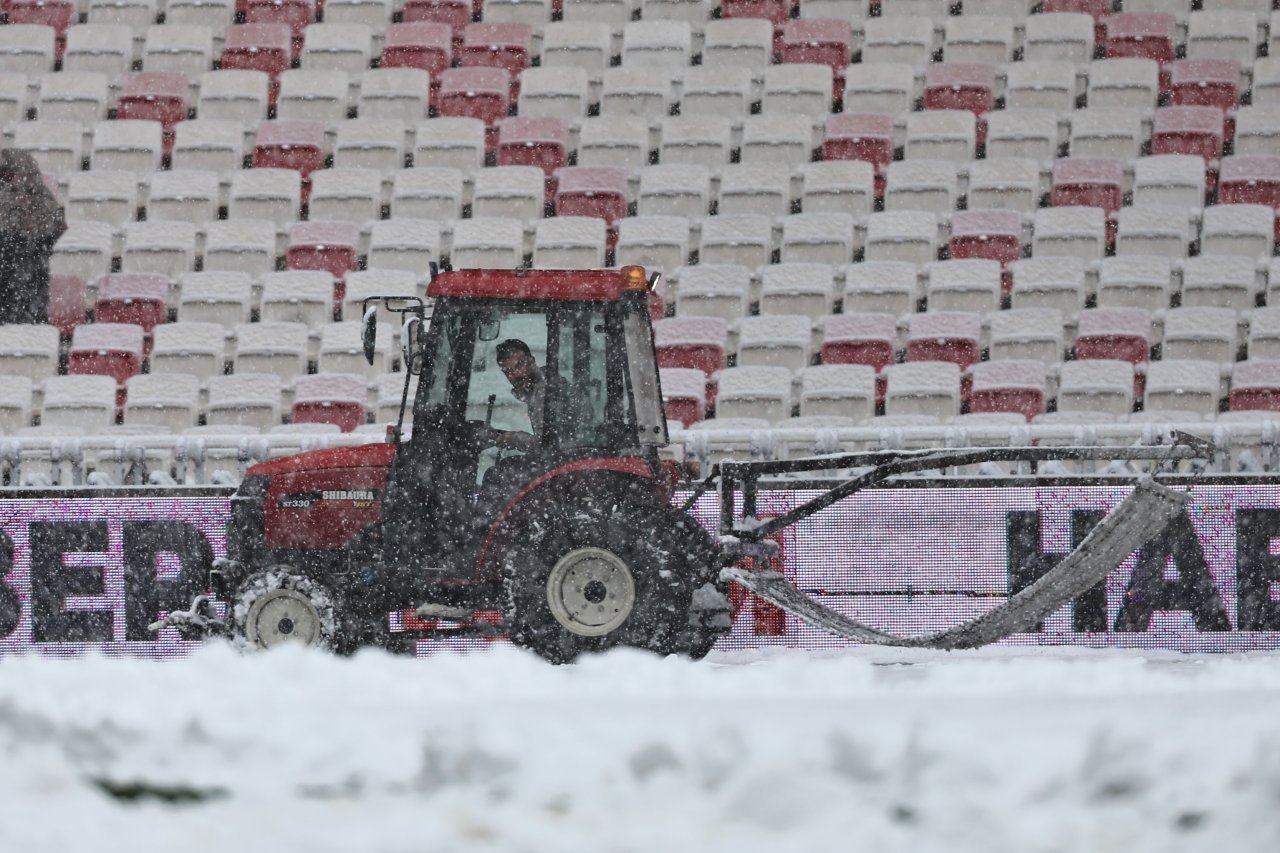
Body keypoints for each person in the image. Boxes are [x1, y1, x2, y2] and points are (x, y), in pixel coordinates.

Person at [0, 149, 66, 325]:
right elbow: (59, 227)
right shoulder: (43, 196)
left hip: (14, 272)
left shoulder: (8, 198)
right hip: (34, 270)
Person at [493, 338, 547, 453]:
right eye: (508, 371)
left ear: (532, 361)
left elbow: (545, 446)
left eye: (520, 365)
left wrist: (513, 439)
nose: (515, 374)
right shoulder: (539, 387)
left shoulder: (544, 391)